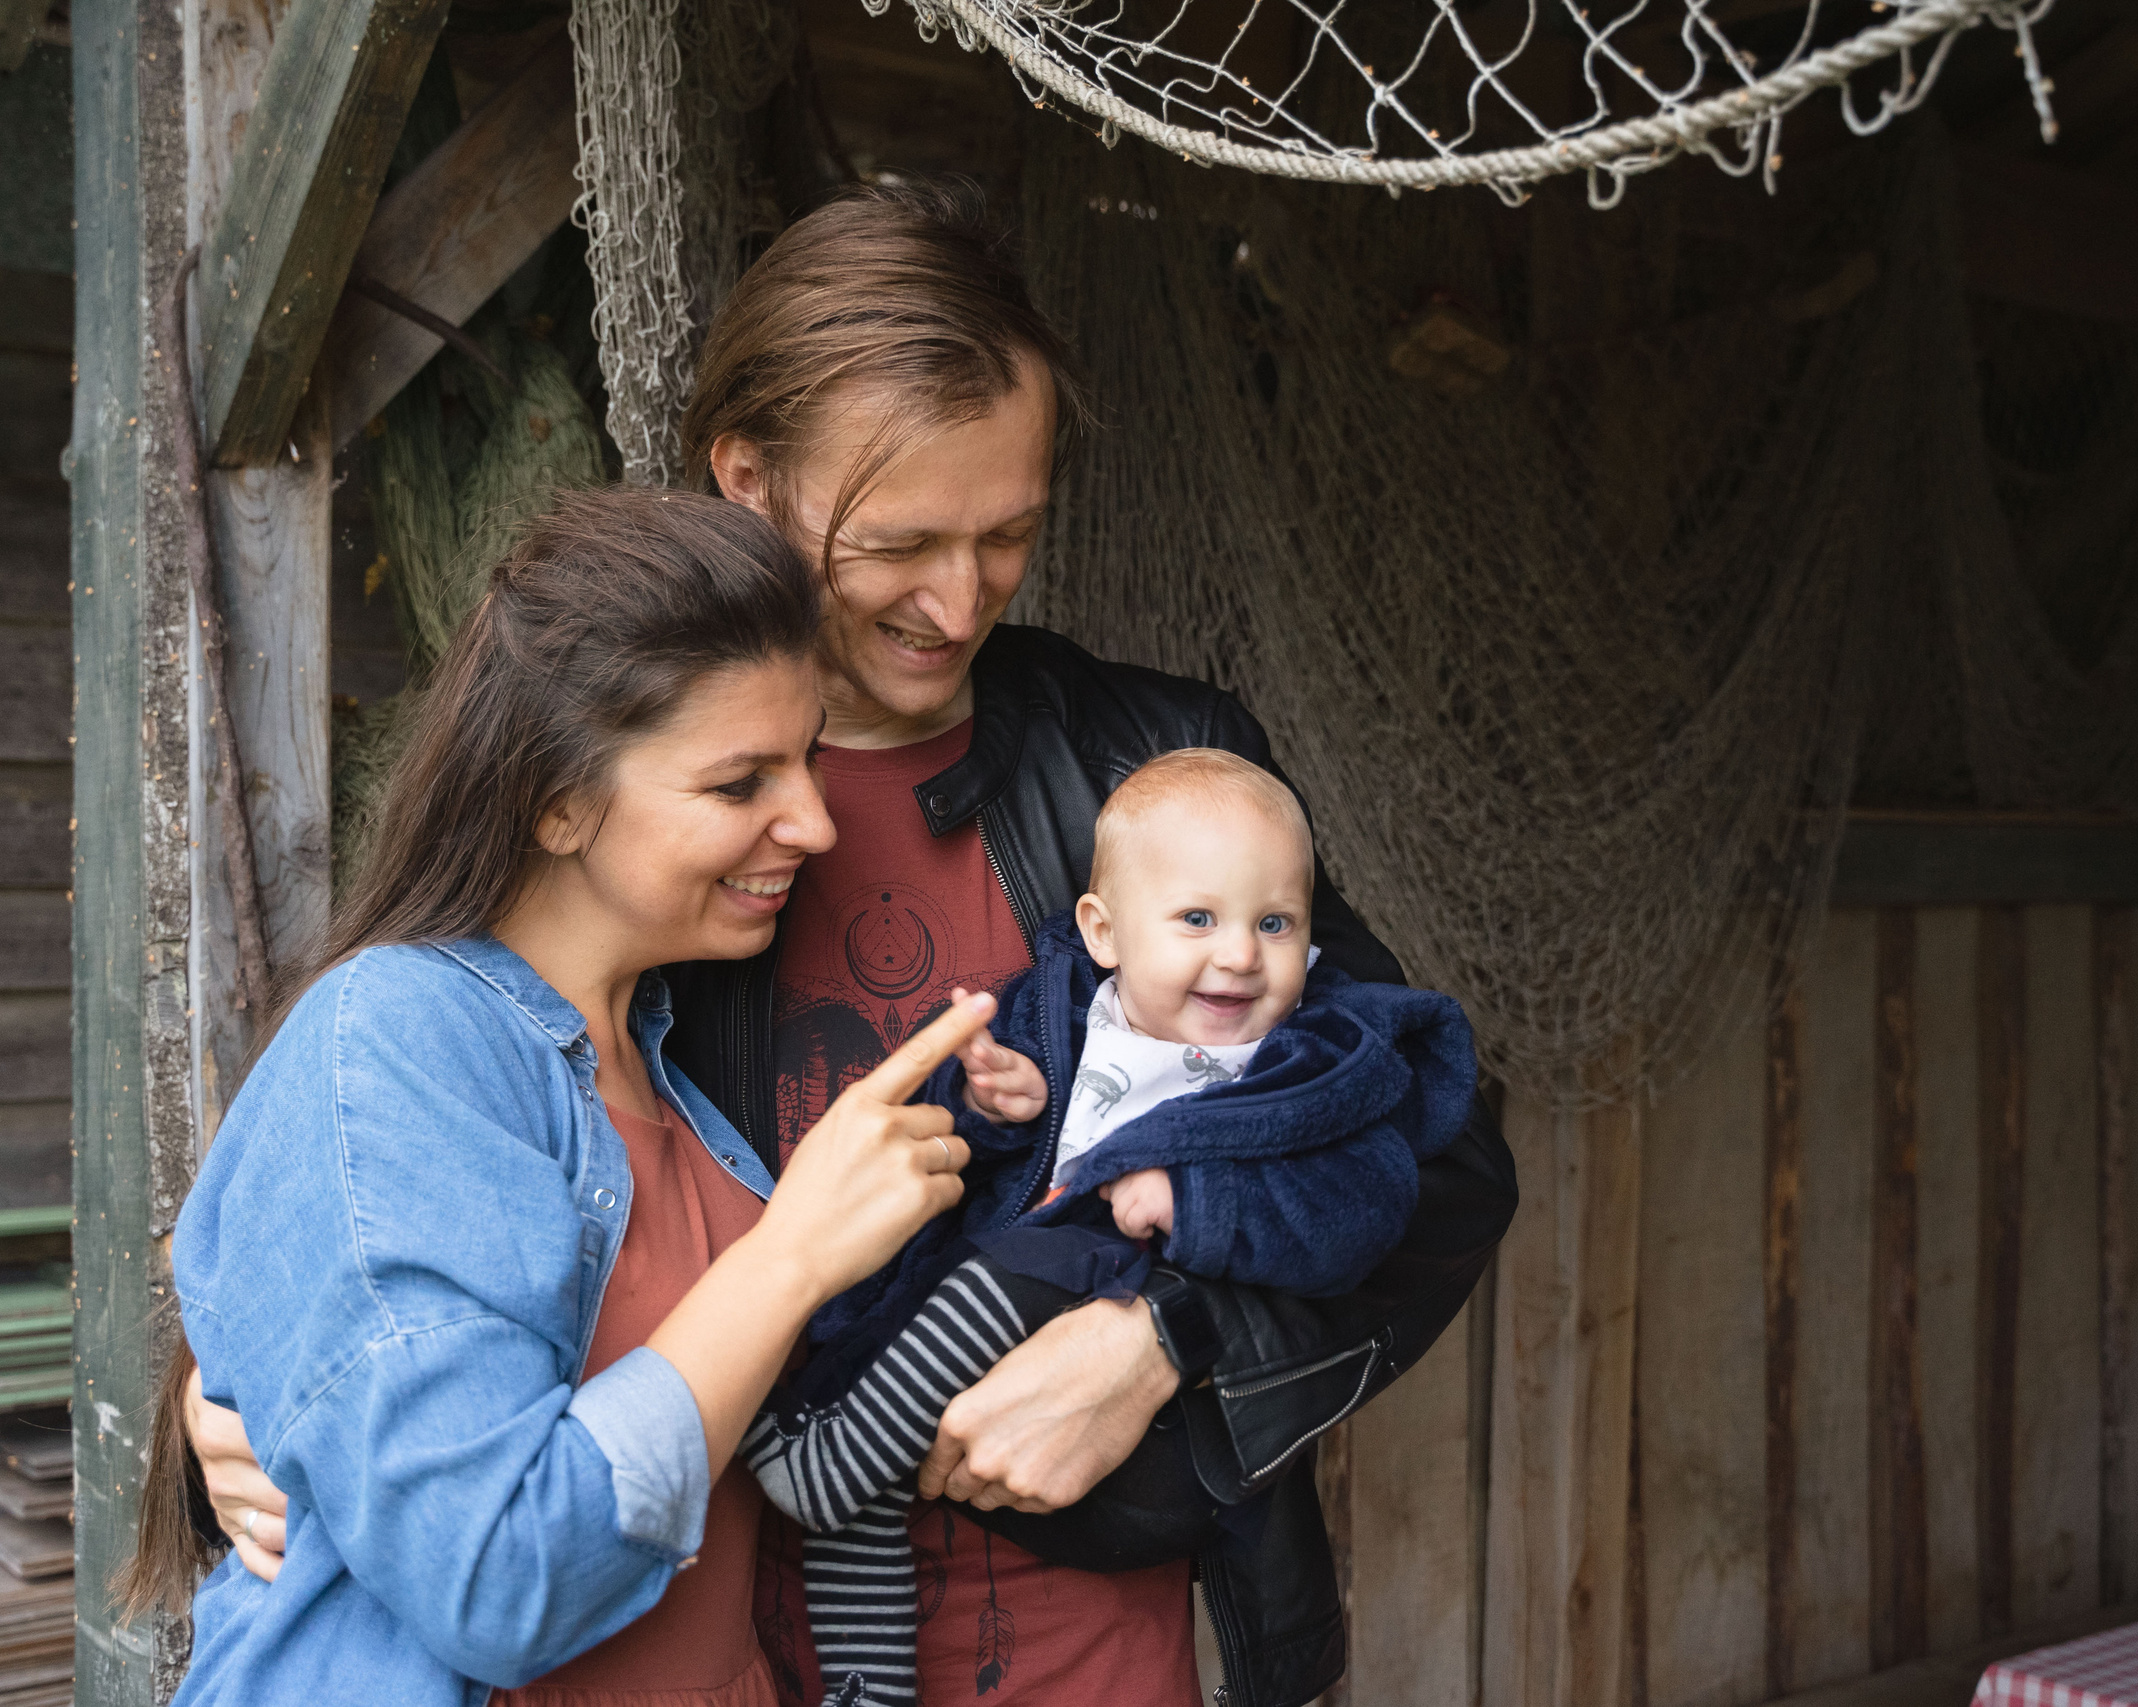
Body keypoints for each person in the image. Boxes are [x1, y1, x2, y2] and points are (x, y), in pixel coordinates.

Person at [187, 183, 1517, 1707]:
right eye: (901, 541)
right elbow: (384, 1181)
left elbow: (1445, 1146)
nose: (959, 599)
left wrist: (1168, 1338)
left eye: (1009, 531)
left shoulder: (1154, 771)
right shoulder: (628, 834)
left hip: (1096, 1645)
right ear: (747, 478)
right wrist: (232, 1392)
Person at [150, 488, 1006, 1707]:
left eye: (807, 758)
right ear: (556, 801)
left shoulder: (662, 1057)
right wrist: (795, 1256)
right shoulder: (396, 1037)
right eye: (738, 783)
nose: (813, 820)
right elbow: (494, 1576)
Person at [740, 749, 1481, 1707]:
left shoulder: (1306, 1071)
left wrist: (1200, 1204)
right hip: (987, 1338)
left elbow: (1362, 1209)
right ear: (1103, 930)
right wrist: (997, 1109)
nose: (1241, 954)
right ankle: (867, 1682)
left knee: (1015, 1269)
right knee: (869, 1509)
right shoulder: (1059, 1012)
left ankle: (831, 1455)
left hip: (1118, 1346)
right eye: (1198, 919)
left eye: (1276, 923)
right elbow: (956, 1140)